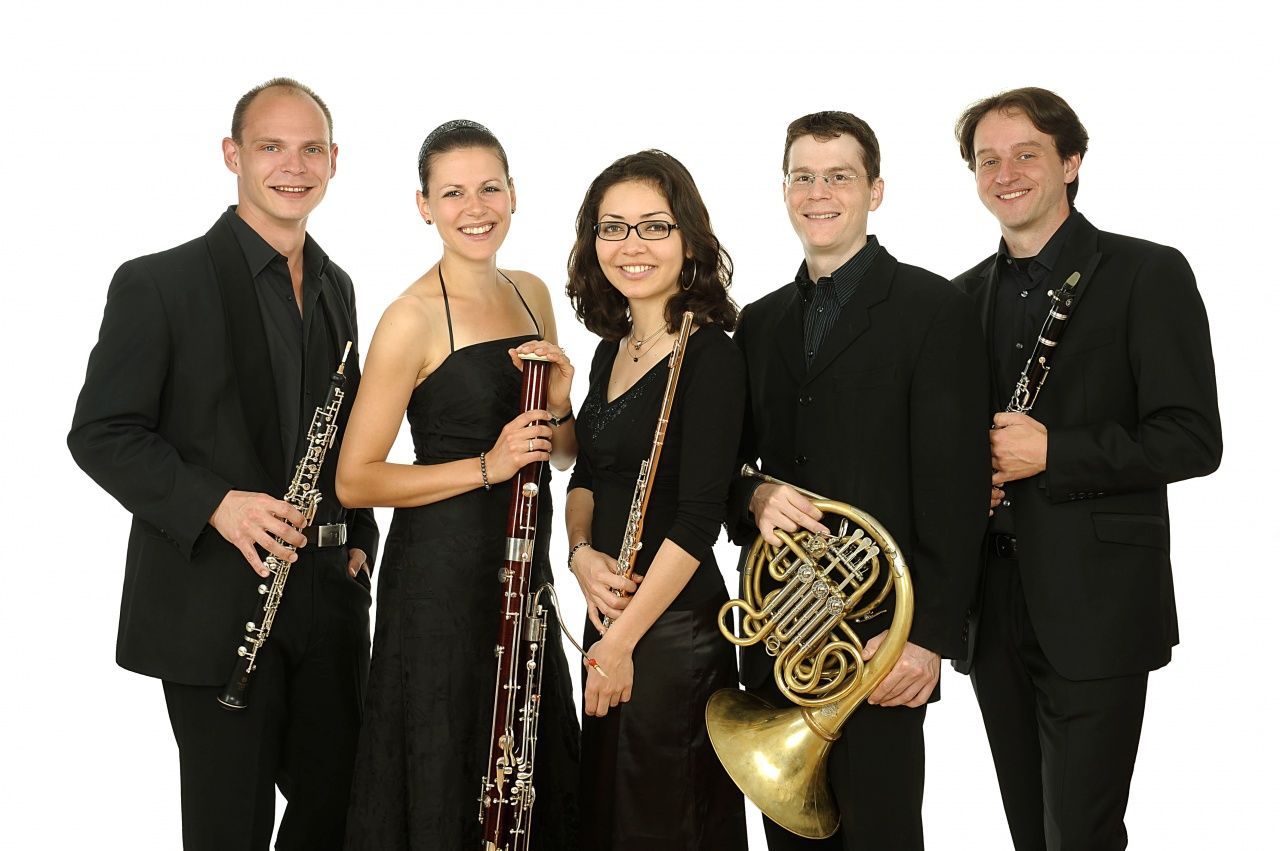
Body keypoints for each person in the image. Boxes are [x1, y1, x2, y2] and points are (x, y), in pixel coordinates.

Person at [67, 78, 378, 851]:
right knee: (229, 829)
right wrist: (217, 503)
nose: (293, 166)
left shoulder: (337, 286)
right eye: (271, 147)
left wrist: (359, 537)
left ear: (334, 160)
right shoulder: (158, 283)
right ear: (233, 155)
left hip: (325, 600)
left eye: (311, 149)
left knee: (342, 811)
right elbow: (101, 432)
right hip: (214, 603)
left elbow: (342, 429)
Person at [951, 87, 1222, 851]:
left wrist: (1055, 452)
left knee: (1081, 835)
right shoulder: (960, 298)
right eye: (987, 160)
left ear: (1070, 162)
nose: (1005, 174)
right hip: (990, 604)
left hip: (1097, 605)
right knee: (1030, 833)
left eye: (1026, 154)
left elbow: (1192, 437)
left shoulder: (1146, 273)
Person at [725, 111, 990, 851]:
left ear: (875, 190)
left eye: (839, 176)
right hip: (783, 641)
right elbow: (726, 468)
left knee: (882, 834)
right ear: (784, 191)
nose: (819, 193)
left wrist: (926, 638)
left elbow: (958, 489)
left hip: (881, 644)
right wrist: (753, 494)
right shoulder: (759, 323)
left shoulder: (934, 310)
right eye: (803, 177)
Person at [335, 119, 580, 850]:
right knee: (447, 763)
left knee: (527, 772)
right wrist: (486, 467)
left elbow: (561, 453)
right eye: (452, 193)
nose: (475, 208)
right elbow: (354, 479)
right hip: (439, 580)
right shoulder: (409, 318)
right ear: (424, 206)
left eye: (489, 188)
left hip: (521, 571)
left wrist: (562, 400)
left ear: (513, 193)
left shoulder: (533, 292)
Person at [563, 149, 748, 850]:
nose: (631, 245)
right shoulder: (610, 350)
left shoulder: (711, 355)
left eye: (653, 226)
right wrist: (581, 556)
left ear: (688, 240)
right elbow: (586, 477)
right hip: (609, 617)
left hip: (669, 635)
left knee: (667, 824)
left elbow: (700, 519)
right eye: (613, 228)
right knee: (610, 820)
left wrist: (621, 642)